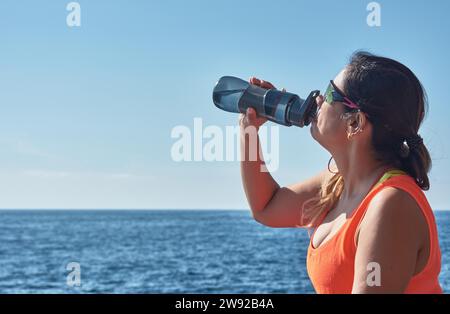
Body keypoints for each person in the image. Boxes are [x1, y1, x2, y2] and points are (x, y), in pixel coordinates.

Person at [239, 51, 443, 294]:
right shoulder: (337, 182)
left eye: (328, 94)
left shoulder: (391, 205)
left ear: (355, 123)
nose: (316, 99)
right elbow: (266, 207)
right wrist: (249, 131)